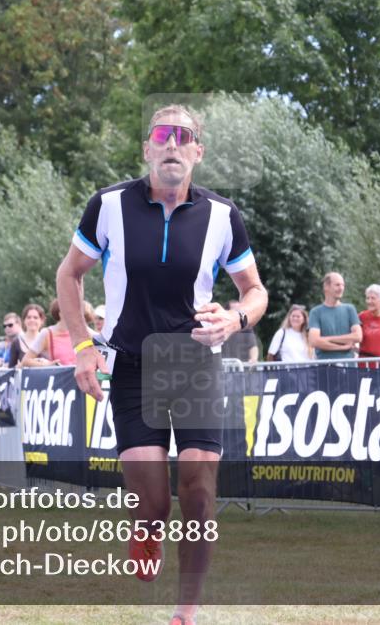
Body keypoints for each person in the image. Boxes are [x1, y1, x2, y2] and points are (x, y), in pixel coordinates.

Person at [55, 103, 267, 625]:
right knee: (152, 500)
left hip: (196, 364)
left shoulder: (222, 216)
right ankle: (146, 526)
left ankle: (186, 610)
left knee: (198, 489)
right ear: (147, 149)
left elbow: (255, 291)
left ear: (198, 151)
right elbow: (69, 275)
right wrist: (83, 348)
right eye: (162, 135)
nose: (172, 144)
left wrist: (235, 320)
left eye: (183, 136)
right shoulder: (108, 206)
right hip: (133, 365)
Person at [307, 272, 361, 360]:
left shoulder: (350, 309)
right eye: (337, 285)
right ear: (326, 287)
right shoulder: (316, 312)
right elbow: (314, 341)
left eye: (343, 285)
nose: (341, 288)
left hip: (348, 365)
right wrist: (342, 347)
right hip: (325, 364)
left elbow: (358, 336)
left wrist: (326, 339)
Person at [22, 299, 76, 367]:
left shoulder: (81, 331)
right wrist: (46, 365)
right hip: (58, 373)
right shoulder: (47, 333)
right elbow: (26, 361)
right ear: (60, 313)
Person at [7, 303, 46, 368]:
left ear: (42, 321)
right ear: (24, 320)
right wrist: (19, 366)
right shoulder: (16, 342)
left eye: (35, 317)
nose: (32, 320)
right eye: (28, 317)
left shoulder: (47, 340)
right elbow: (11, 369)